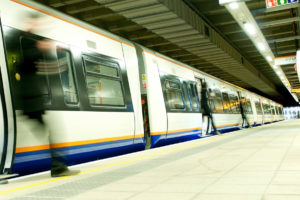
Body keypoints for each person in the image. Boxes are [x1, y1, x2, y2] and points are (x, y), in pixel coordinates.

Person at [16, 13, 79, 178]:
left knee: (43, 133)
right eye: (35, 21)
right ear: (29, 22)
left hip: (32, 100)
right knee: (53, 133)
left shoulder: (31, 42)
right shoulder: (23, 41)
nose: (37, 25)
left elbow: (43, 66)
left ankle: (58, 166)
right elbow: (27, 62)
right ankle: (58, 167)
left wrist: (52, 53)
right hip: (30, 101)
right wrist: (45, 48)